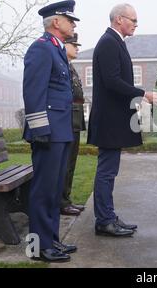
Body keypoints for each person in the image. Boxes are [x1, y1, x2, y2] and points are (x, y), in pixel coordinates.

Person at [87, 4, 157, 237]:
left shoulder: (115, 41)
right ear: (119, 19)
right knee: (107, 172)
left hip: (113, 119)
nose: (136, 24)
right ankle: (104, 221)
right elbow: (111, 81)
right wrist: (143, 94)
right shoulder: (109, 42)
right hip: (110, 120)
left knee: (110, 171)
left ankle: (108, 216)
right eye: (133, 20)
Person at [22, 0, 80, 262]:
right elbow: (33, 92)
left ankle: (52, 241)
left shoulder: (57, 50)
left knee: (54, 192)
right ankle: (37, 248)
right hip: (48, 132)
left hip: (61, 131)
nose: (73, 24)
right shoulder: (41, 49)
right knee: (42, 191)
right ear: (56, 22)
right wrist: (40, 129)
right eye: (70, 20)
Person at [60, 33, 87, 216]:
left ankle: (66, 199)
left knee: (71, 162)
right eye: (74, 45)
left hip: (74, 118)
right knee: (65, 163)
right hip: (66, 119)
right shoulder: (62, 65)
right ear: (65, 46)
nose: (77, 48)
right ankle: (62, 202)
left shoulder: (70, 66)